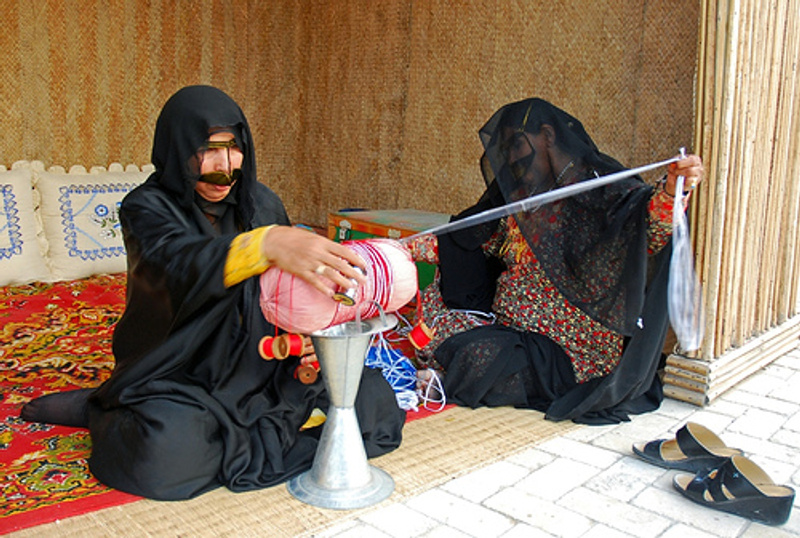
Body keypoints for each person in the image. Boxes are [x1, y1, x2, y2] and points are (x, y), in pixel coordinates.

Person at [20, 85, 406, 500]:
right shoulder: (146, 206)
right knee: (163, 454)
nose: (224, 167)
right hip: (180, 370)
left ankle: (252, 440)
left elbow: (288, 293)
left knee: (373, 403)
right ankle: (104, 409)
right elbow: (178, 264)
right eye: (206, 150)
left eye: (233, 148)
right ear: (177, 148)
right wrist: (265, 245)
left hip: (261, 365)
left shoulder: (262, 203)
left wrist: (310, 338)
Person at [408, 98, 704, 424]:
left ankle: (462, 375)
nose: (512, 158)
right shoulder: (525, 196)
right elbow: (474, 237)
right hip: (508, 327)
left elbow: (648, 228)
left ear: (547, 135)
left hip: (567, 351)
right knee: (433, 322)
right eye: (506, 150)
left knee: (477, 355)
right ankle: (466, 369)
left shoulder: (596, 187)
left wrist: (672, 190)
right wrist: (402, 250)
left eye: (517, 144)